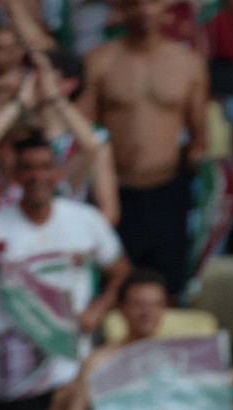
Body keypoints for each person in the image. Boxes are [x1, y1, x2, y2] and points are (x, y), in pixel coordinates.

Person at [0, 136, 129, 410]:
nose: (38, 176)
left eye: (46, 166)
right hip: (16, 378)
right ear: (15, 176)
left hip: (74, 374)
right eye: (28, 168)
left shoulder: (86, 221)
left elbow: (121, 272)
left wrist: (99, 307)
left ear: (59, 172)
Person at [77, 0, 206, 295]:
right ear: (123, 9)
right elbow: (83, 130)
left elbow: (199, 136)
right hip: (117, 193)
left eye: (152, 2)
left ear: (166, 8)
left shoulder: (188, 63)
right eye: (135, 4)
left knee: (170, 284)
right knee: (114, 283)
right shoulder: (99, 61)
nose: (145, 11)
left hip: (168, 191)